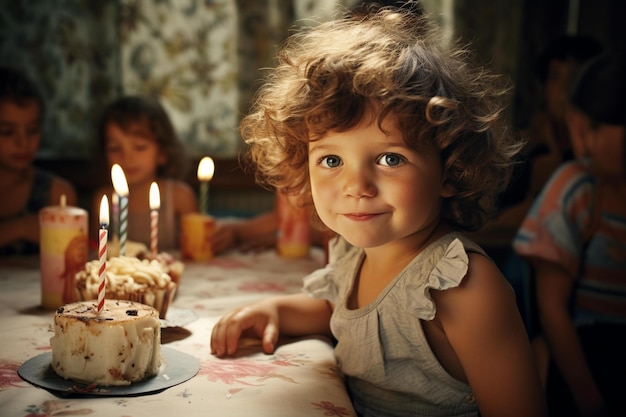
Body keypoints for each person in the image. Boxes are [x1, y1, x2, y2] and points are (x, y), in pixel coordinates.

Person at [211, 6, 547, 417]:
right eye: (332, 161)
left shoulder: (464, 287)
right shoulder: (355, 248)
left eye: (390, 159)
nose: (356, 187)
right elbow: (344, 311)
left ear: (450, 168)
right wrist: (277, 310)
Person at [513, 49, 626, 417]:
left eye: (593, 126)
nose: (583, 138)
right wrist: (589, 400)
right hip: (587, 356)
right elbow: (552, 308)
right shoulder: (577, 188)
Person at [91, 95, 197, 251]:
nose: (127, 157)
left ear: (162, 152)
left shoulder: (179, 197)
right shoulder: (103, 200)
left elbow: (196, 249)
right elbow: (96, 252)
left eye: (139, 147)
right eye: (114, 148)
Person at [0, 66, 78, 256]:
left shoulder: (56, 194)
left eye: (32, 130)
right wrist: (19, 228)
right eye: (7, 132)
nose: (23, 142)